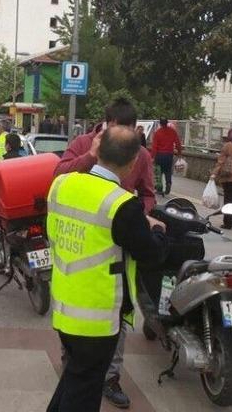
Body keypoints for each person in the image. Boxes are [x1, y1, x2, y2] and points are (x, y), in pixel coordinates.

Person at [46, 126, 168, 412]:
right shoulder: (122, 204)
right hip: (97, 319)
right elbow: (150, 254)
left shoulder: (62, 184)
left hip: (64, 308)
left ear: (97, 150)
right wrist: (159, 230)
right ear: (133, 163)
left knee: (75, 379)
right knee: (84, 393)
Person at [151, 119, 183, 197]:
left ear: (160, 124)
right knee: (168, 171)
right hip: (169, 155)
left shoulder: (157, 133)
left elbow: (154, 146)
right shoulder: (172, 132)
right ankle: (168, 183)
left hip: (159, 155)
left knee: (159, 171)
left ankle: (159, 189)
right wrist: (179, 153)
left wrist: (152, 157)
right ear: (167, 123)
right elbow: (178, 143)